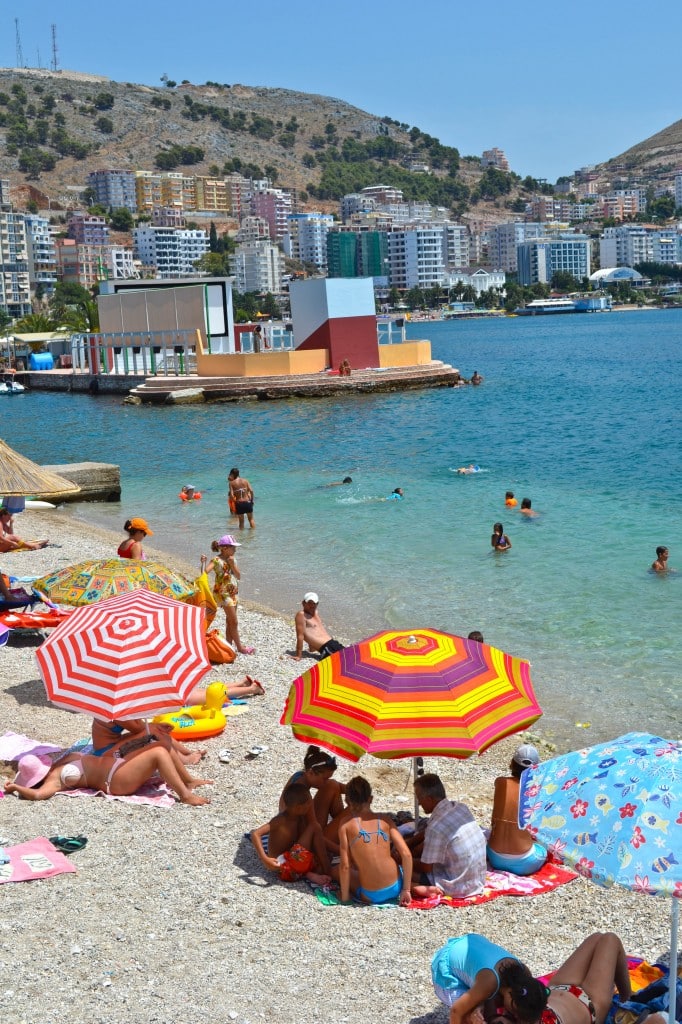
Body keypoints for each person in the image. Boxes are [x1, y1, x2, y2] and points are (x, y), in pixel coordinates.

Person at [4, 744, 212, 806]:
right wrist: (16, 788)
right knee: (158, 753)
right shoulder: (52, 781)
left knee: (158, 742)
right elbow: (38, 796)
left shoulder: (60, 763)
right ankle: (185, 795)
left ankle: (189, 781)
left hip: (117, 766)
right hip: (115, 782)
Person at [431, 934, 547, 1024]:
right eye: (514, 1011)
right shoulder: (489, 982)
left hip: (472, 943)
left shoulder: (524, 973)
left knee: (484, 1007)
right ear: (510, 994)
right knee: (472, 1015)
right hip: (445, 967)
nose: (515, 1015)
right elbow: (456, 1011)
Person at [338, 775, 412, 906]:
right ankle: (416, 888)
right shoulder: (385, 820)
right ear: (370, 799)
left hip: (371, 895)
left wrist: (345, 899)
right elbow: (406, 854)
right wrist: (406, 889)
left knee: (335, 871)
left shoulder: (345, 825)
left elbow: (345, 866)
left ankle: (345, 892)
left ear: (347, 800)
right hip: (396, 887)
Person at [409, 773, 487, 898]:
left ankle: (421, 887)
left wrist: (403, 860)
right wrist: (409, 844)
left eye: (419, 798)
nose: (418, 803)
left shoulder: (436, 828)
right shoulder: (460, 807)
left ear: (429, 799)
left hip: (458, 885)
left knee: (400, 872)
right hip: (477, 878)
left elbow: (426, 867)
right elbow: (428, 831)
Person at [251, 782, 333, 886]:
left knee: (324, 855)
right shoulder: (280, 820)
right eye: (309, 803)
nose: (311, 805)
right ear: (298, 807)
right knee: (314, 826)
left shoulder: (299, 817)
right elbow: (255, 834)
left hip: (294, 861)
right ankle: (328, 871)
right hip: (282, 865)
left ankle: (309, 874)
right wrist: (265, 859)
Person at [542, 932, 633, 1024]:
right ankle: (628, 999)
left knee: (597, 938)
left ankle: (627, 997)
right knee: (610, 940)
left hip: (556, 989)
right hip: (589, 1007)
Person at [486, 744, 547, 875]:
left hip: (494, 857)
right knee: (544, 847)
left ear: (512, 763)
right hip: (525, 862)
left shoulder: (500, 782)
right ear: (536, 769)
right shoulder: (537, 791)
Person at [201, 535, 254, 655]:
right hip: (223, 593)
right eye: (233, 547)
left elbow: (239, 576)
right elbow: (204, 573)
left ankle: (229, 645)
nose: (235, 550)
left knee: (229, 620)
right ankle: (240, 648)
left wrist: (232, 564)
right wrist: (203, 563)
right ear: (224, 548)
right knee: (234, 621)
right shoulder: (216, 560)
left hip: (233, 592)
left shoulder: (232, 559)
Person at [280, 744, 345, 832]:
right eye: (324, 779)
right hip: (303, 836)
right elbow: (311, 829)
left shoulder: (299, 775)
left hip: (301, 827)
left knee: (332, 784)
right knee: (351, 812)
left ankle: (342, 825)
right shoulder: (302, 795)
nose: (326, 781)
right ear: (311, 773)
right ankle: (344, 828)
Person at [292, 592, 345, 660]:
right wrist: (298, 655)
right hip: (326, 648)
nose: (312, 605)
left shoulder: (315, 613)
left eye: (314, 603)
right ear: (303, 603)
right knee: (347, 661)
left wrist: (312, 647)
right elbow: (300, 636)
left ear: (317, 604)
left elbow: (314, 632)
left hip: (334, 643)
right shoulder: (301, 615)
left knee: (353, 656)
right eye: (309, 603)